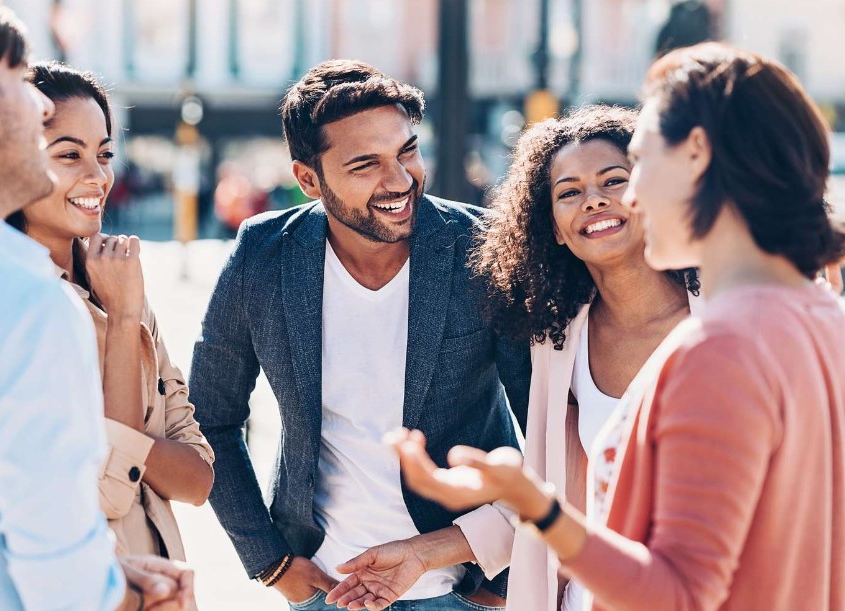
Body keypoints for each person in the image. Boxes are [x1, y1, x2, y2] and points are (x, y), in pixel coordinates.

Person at [394, 42, 845, 611]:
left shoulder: (722, 346)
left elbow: (675, 594)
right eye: (571, 192)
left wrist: (540, 508)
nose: (625, 196)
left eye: (639, 159)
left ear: (696, 156)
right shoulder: (815, 313)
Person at [189, 60, 531, 610]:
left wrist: (495, 580)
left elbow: (546, 431)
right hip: (325, 588)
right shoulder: (264, 256)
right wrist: (270, 562)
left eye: (407, 152)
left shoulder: (483, 250)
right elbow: (211, 415)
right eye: (365, 164)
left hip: (465, 587)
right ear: (308, 179)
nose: (399, 181)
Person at [331, 105, 700, 611]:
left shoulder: (730, 318)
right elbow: (551, 497)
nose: (592, 200)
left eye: (613, 181)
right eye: (569, 192)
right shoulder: (558, 342)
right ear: (552, 227)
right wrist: (422, 554)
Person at [0, 5, 194, 610]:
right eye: (21, 83)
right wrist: (131, 595)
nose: (41, 105)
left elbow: (197, 467)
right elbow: (61, 577)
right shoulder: (19, 297)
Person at [6, 61, 215, 567]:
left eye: (103, 154)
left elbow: (199, 477)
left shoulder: (122, 285)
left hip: (162, 588)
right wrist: (123, 324)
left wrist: (117, 441)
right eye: (69, 154)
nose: (97, 176)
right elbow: (108, 494)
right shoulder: (14, 303)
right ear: (12, 162)